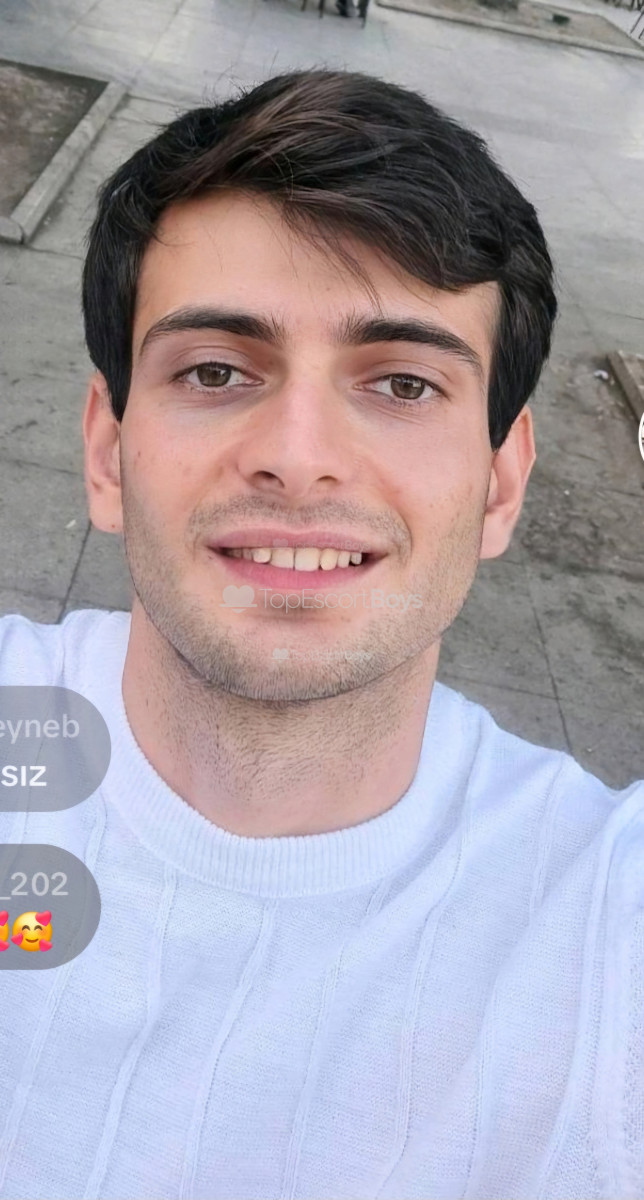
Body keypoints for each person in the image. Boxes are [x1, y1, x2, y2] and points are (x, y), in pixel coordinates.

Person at [0, 69, 641, 1200]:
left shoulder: (607, 922)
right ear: (106, 453)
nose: (298, 458)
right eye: (213, 370)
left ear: (500, 486)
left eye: (402, 385)